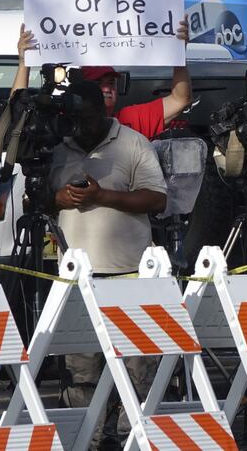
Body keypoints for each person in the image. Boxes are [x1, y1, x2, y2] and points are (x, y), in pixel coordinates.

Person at [49, 80, 167, 447]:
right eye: (74, 120)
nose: (81, 127)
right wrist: (60, 197)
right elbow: (42, 198)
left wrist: (103, 195)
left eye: (87, 118)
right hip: (75, 283)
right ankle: (87, 441)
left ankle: (137, 441)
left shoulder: (133, 143)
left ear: (102, 112)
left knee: (137, 371)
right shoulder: (58, 148)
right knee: (81, 374)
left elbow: (157, 200)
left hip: (128, 277)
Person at [11, 21, 192, 140]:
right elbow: (18, 110)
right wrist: (24, 63)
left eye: (111, 83)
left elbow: (179, 99)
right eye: (98, 83)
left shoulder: (130, 120)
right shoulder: (61, 124)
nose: (106, 89)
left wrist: (179, 55)